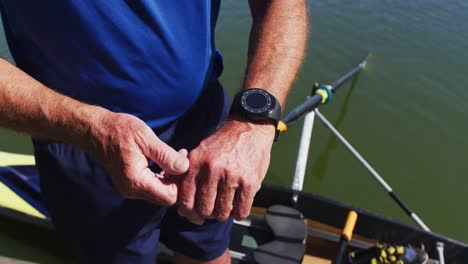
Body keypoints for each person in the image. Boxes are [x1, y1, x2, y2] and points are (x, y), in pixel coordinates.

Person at [0, 1, 307, 263]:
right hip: (85, 147)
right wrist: (89, 128)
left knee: (208, 247)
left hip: (209, 128)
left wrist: (252, 123)